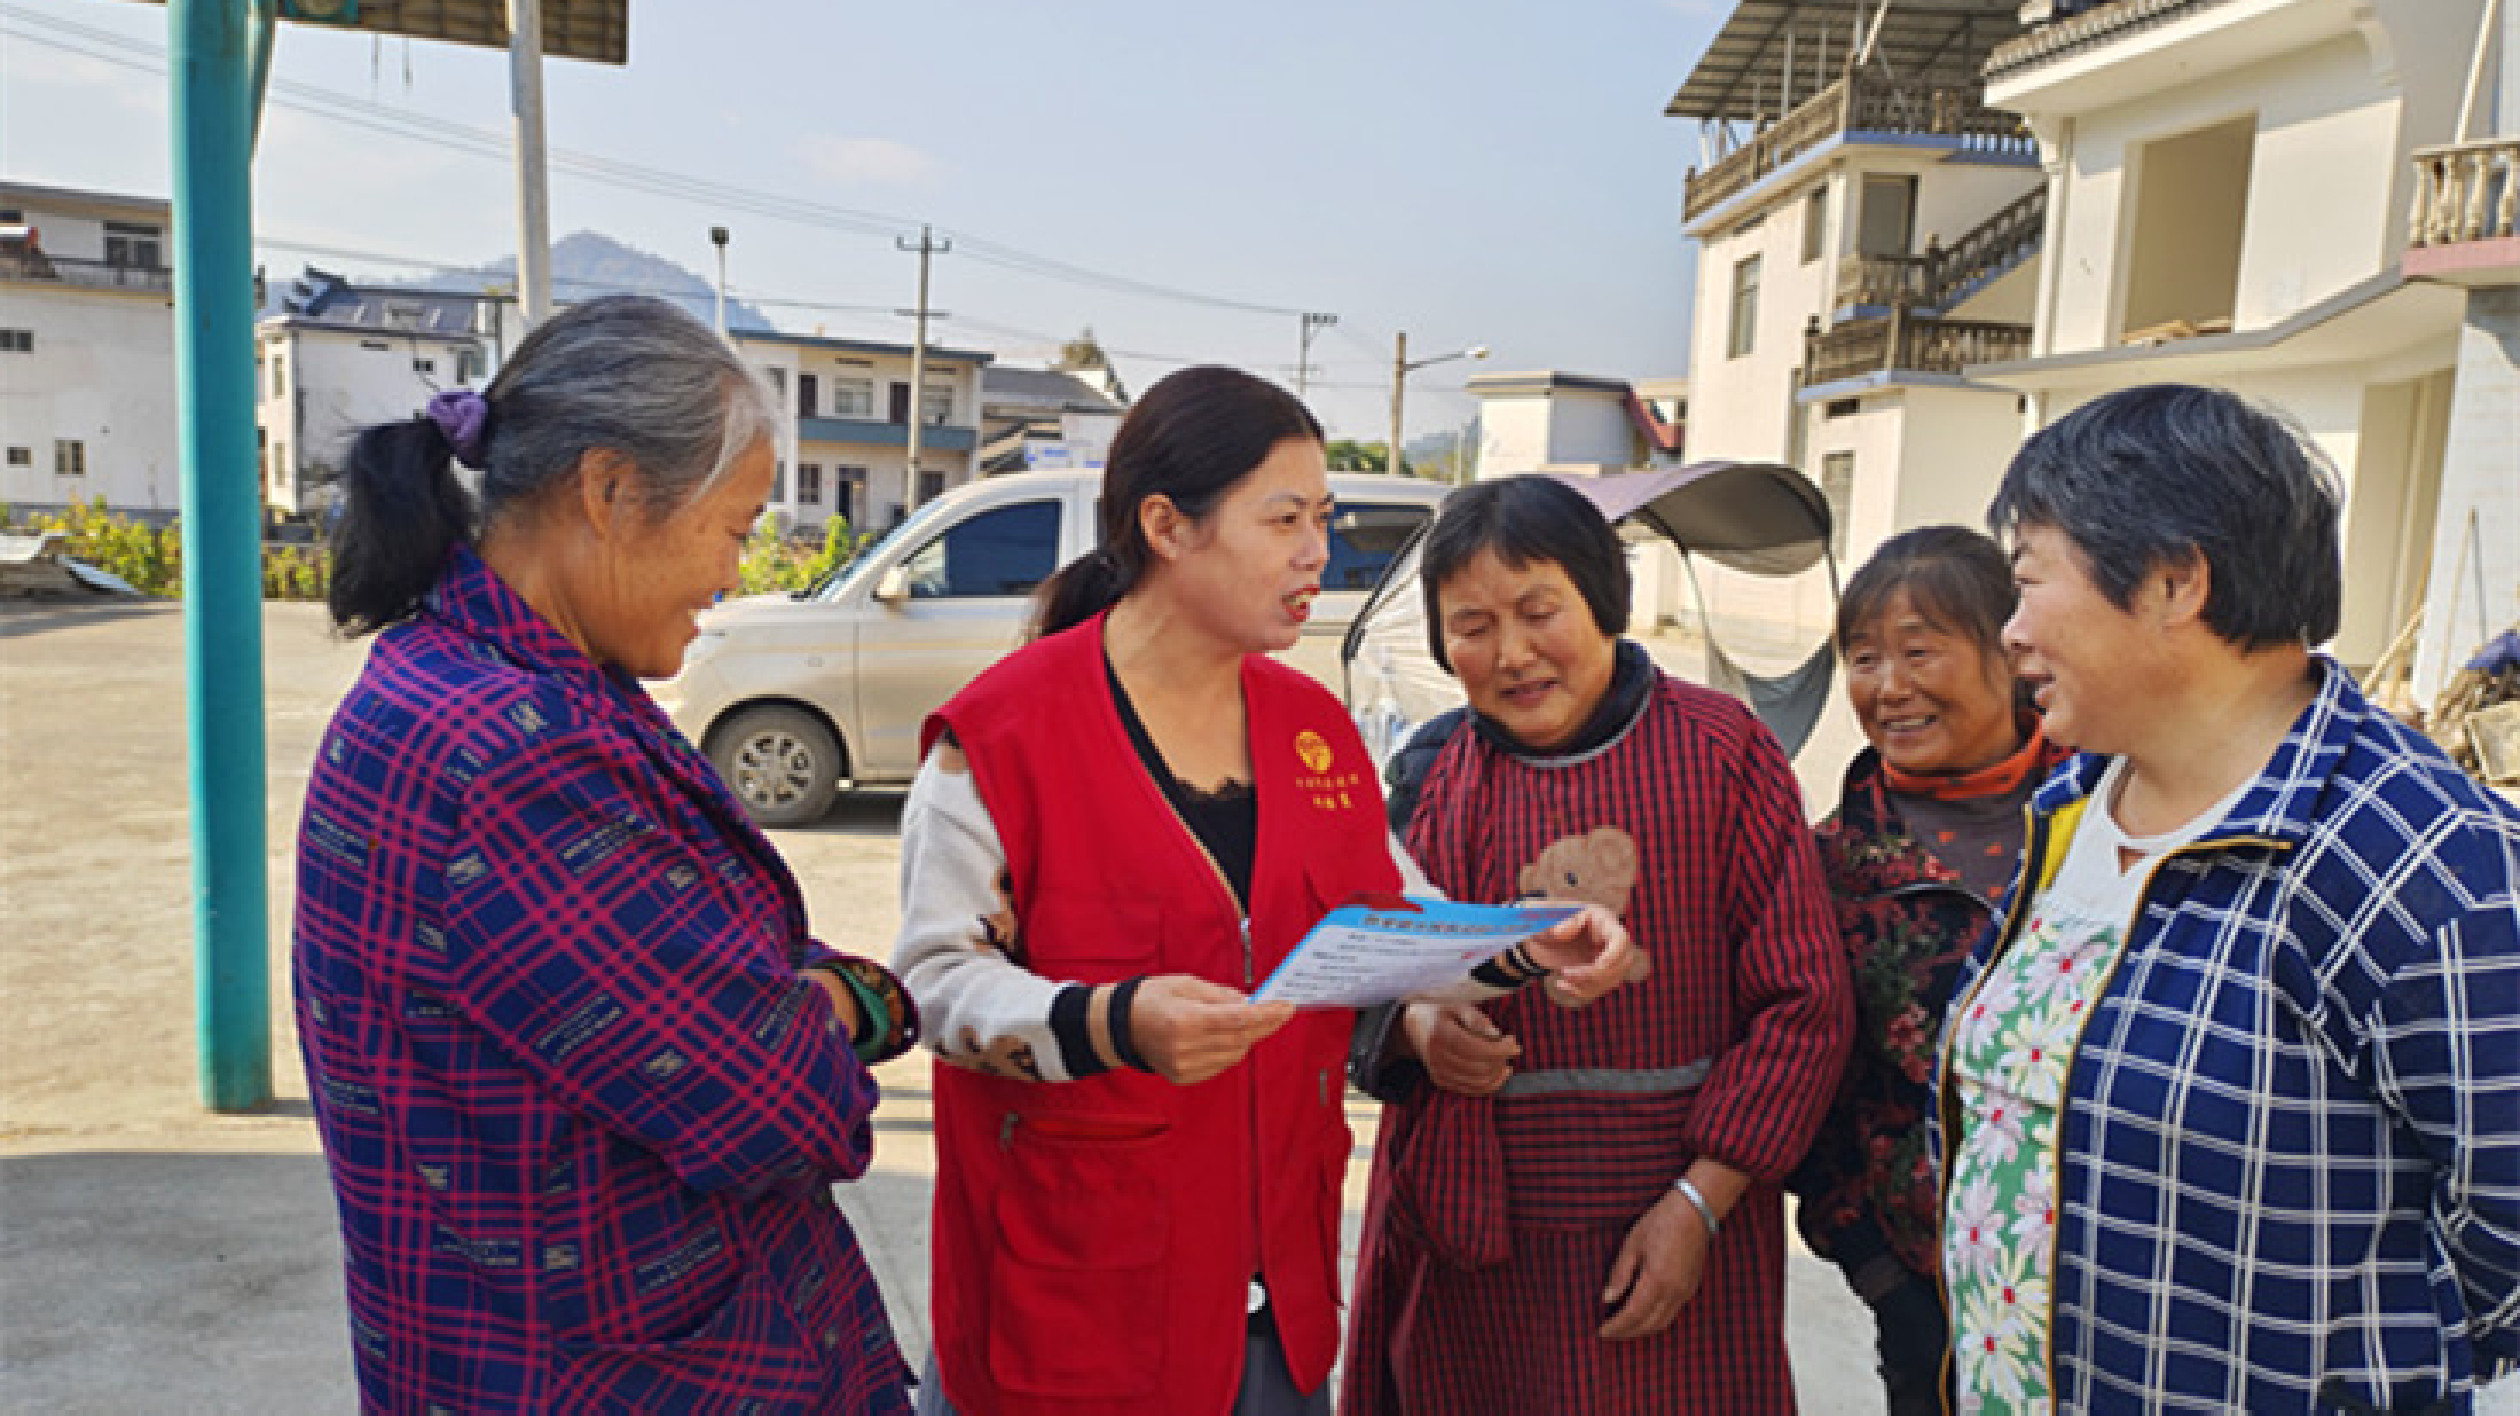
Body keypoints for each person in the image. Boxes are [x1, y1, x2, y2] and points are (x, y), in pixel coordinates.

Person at [890, 367, 1634, 1416]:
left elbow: (1386, 913)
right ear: (1167, 526)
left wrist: (1523, 942)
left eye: (1322, 517)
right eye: (1283, 518)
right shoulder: (1002, 737)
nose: (1316, 551)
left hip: (1271, 1306)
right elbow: (934, 982)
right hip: (1067, 1307)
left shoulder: (1309, 726)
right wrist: (1112, 1022)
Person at [294, 296, 919, 1412]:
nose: (734, 574)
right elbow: (777, 1108)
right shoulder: (513, 758)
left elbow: (688, 958)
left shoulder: (481, 683)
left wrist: (799, 992)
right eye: (733, 528)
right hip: (624, 1375)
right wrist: (830, 1005)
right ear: (611, 490)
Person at [1937, 384, 2520, 1413]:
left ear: (2174, 580)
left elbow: (2504, 1238)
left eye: (2028, 582)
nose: (2011, 631)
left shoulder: (2423, 867)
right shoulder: (2074, 801)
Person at [1342, 474, 1856, 1415]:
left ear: (1605, 601)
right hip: (1471, 1242)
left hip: (1669, 1225)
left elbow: (1805, 1005)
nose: (1512, 654)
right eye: (1471, 626)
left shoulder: (1723, 756)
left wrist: (1700, 1204)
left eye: (1541, 611)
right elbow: (1363, 966)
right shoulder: (1429, 771)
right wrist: (1420, 1030)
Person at [1788, 525, 2067, 1414]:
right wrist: (1876, 1270)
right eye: (1864, 658)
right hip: (1930, 1299)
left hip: (2115, 1282)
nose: (1888, 687)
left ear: (2010, 650)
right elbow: (1805, 1086)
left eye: (1919, 653)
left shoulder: (2111, 817)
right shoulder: (1828, 867)